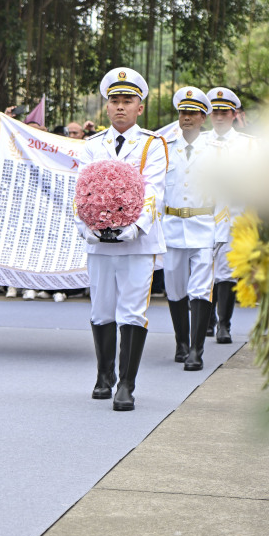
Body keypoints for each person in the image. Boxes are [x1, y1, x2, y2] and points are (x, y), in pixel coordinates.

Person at [75, 68, 168, 411]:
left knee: (131, 309)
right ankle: (104, 374)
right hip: (98, 241)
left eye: (127, 101)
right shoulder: (92, 145)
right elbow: (80, 192)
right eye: (114, 100)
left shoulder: (152, 145)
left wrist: (135, 226)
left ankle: (126, 384)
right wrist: (87, 226)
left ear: (140, 107)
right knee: (101, 307)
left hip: (138, 243)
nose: (120, 107)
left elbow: (153, 191)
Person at [163, 87, 217, 371]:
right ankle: (181, 343)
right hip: (172, 225)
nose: (186, 117)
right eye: (183, 112)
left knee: (200, 288)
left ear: (203, 118)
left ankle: (197, 350)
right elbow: (158, 190)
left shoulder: (215, 152)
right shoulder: (164, 148)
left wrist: (220, 230)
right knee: (174, 286)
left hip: (204, 225)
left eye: (193, 113)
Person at [205, 86, 250, 343]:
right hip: (203, 215)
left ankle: (224, 324)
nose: (219, 117)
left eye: (224, 112)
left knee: (227, 271)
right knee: (203, 269)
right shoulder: (198, 141)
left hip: (234, 213)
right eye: (215, 112)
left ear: (234, 114)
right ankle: (207, 320)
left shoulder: (247, 145)